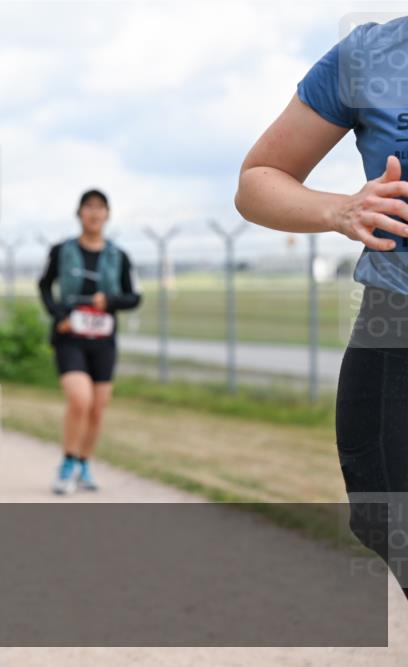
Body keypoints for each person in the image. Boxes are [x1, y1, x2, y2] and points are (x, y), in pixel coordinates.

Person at [235, 16, 407, 599]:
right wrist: (341, 211)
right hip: (396, 322)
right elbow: (259, 179)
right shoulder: (371, 53)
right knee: (384, 516)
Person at [38, 189, 141, 494]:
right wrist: (58, 315)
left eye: (100, 208)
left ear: (107, 215)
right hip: (70, 337)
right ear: (79, 213)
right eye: (89, 208)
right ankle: (67, 464)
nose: (94, 214)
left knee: (98, 407)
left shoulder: (118, 256)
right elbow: (44, 286)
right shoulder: (62, 251)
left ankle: (84, 462)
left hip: (103, 339)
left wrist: (109, 300)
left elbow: (134, 297)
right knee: (79, 400)